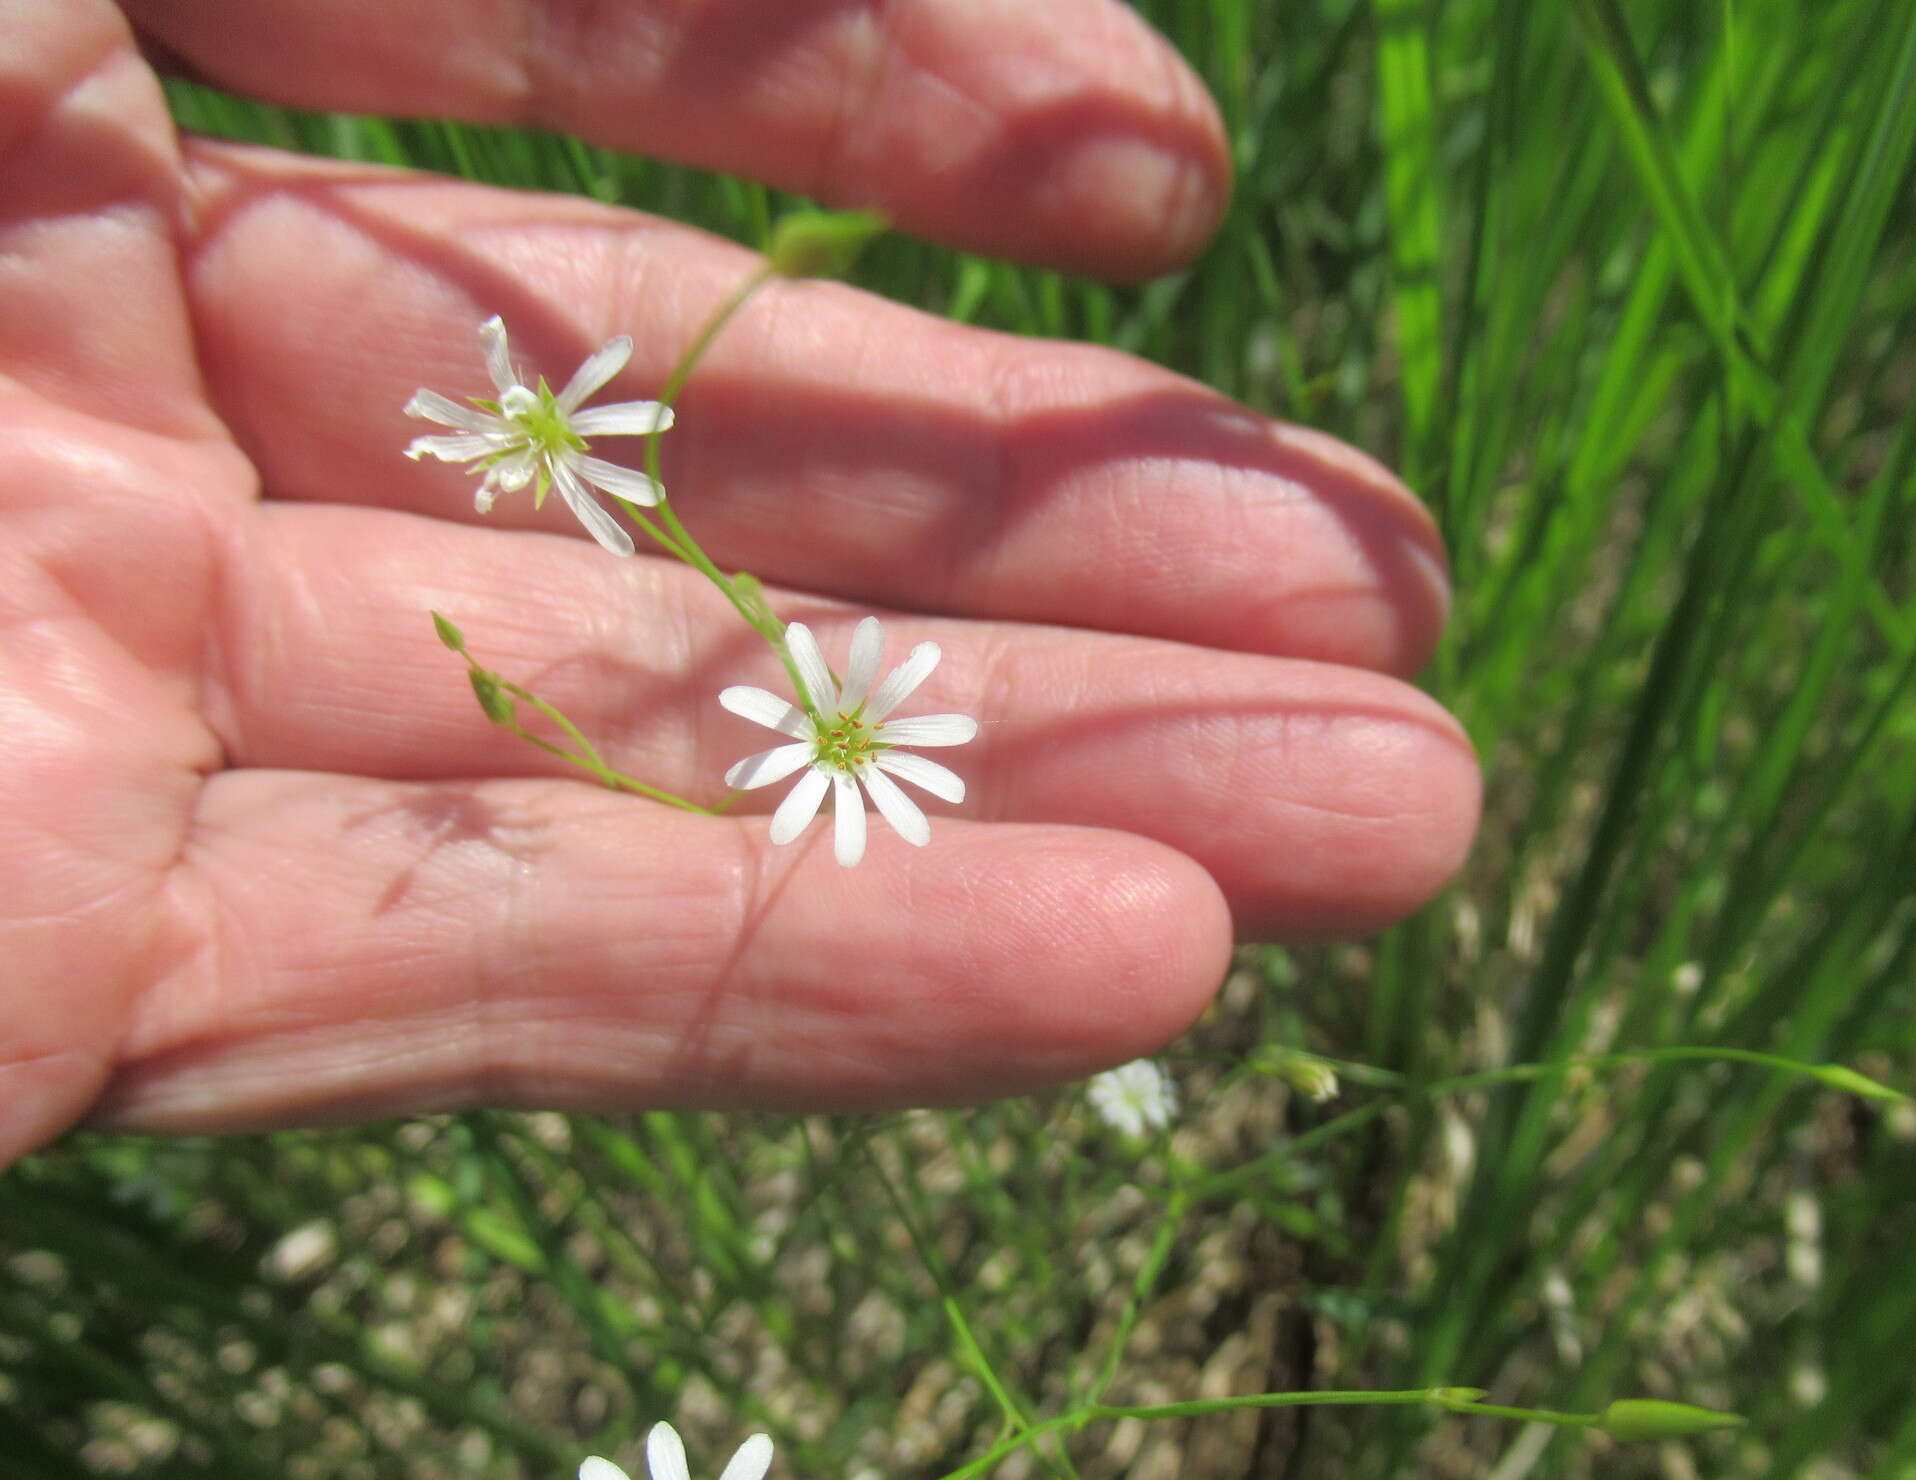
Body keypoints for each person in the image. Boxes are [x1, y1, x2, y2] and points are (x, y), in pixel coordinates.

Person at [0, 0, 1480, 1168]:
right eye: (835, 733)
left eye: (838, 732)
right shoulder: (578, 452)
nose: (838, 736)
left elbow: (846, 732)